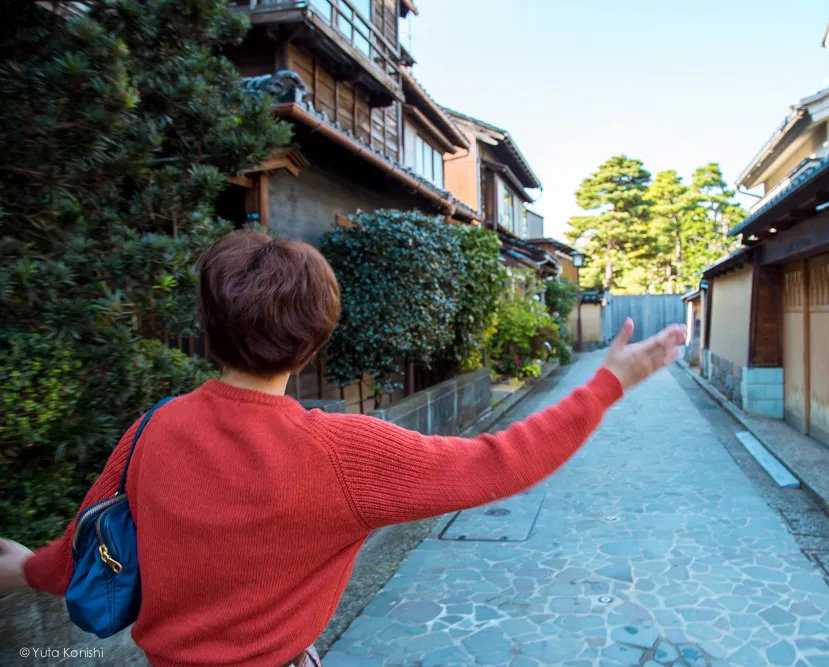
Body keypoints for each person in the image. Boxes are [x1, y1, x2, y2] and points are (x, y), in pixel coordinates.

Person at [0, 230, 686, 667]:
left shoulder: (152, 430)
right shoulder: (341, 452)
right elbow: (499, 461)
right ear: (316, 338)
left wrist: (24, 568)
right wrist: (608, 383)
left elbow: (85, 552)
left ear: (208, 328)